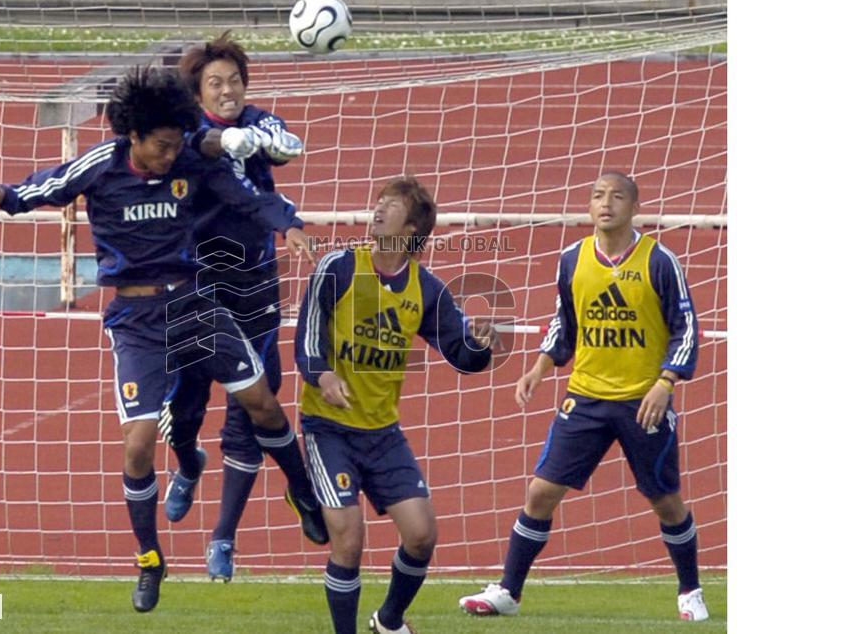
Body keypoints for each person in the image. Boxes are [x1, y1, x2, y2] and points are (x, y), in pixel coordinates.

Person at [0, 67, 323, 613]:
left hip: (192, 304)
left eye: (174, 146)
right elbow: (51, 184)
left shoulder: (190, 160)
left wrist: (290, 222)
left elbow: (246, 194)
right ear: (132, 136)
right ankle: (150, 559)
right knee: (138, 442)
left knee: (261, 402)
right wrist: (7, 195)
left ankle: (302, 490)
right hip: (137, 320)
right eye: (160, 147)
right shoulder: (103, 165)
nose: (168, 156)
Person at [458, 172, 709, 621]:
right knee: (540, 492)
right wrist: (539, 367)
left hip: (642, 402)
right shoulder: (573, 259)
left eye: (616, 196)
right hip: (586, 399)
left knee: (666, 502)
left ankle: (690, 591)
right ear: (589, 207)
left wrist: (665, 382)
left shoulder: (659, 261)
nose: (605, 203)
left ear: (634, 207)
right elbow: (564, 323)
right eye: (597, 196)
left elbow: (686, 328)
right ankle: (509, 592)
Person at [156, 31, 326, 583]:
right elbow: (238, 188)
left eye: (233, 81)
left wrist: (269, 143)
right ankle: (187, 462)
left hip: (253, 284)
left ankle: (223, 537)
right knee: (185, 404)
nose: (226, 90)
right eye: (214, 83)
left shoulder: (259, 118)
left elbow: (284, 142)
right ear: (198, 92)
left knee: (253, 408)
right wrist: (284, 218)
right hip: (197, 284)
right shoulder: (190, 136)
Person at [296, 177, 495, 634]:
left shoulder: (425, 289)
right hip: (328, 428)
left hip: (382, 433)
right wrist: (322, 374)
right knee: (348, 538)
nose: (378, 209)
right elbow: (307, 338)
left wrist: (481, 346)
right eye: (379, 202)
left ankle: (388, 622)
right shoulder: (338, 267)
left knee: (422, 534)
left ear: (409, 231)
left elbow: (461, 353)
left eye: (391, 206)